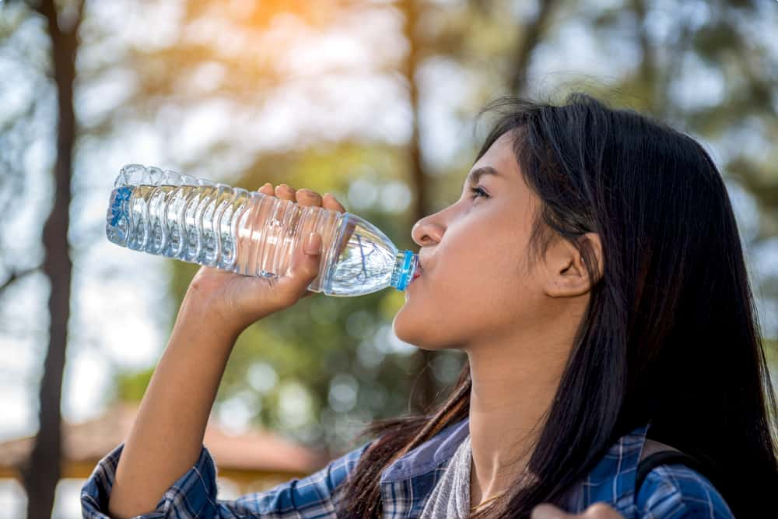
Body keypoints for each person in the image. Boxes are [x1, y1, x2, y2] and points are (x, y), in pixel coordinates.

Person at [81, 93, 778, 519]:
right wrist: (209, 313)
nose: (425, 226)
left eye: (478, 193)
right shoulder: (392, 482)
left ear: (571, 263)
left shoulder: (657, 500)